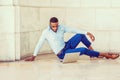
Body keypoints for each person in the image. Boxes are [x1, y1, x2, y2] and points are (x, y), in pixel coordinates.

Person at [25, 17, 119, 61]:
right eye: (53, 26)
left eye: (56, 26)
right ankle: (107, 55)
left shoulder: (61, 27)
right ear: (50, 25)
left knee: (80, 35)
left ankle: (92, 53)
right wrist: (34, 56)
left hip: (67, 45)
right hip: (62, 54)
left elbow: (73, 30)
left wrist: (88, 33)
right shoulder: (45, 32)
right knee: (82, 50)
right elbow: (39, 43)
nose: (55, 28)